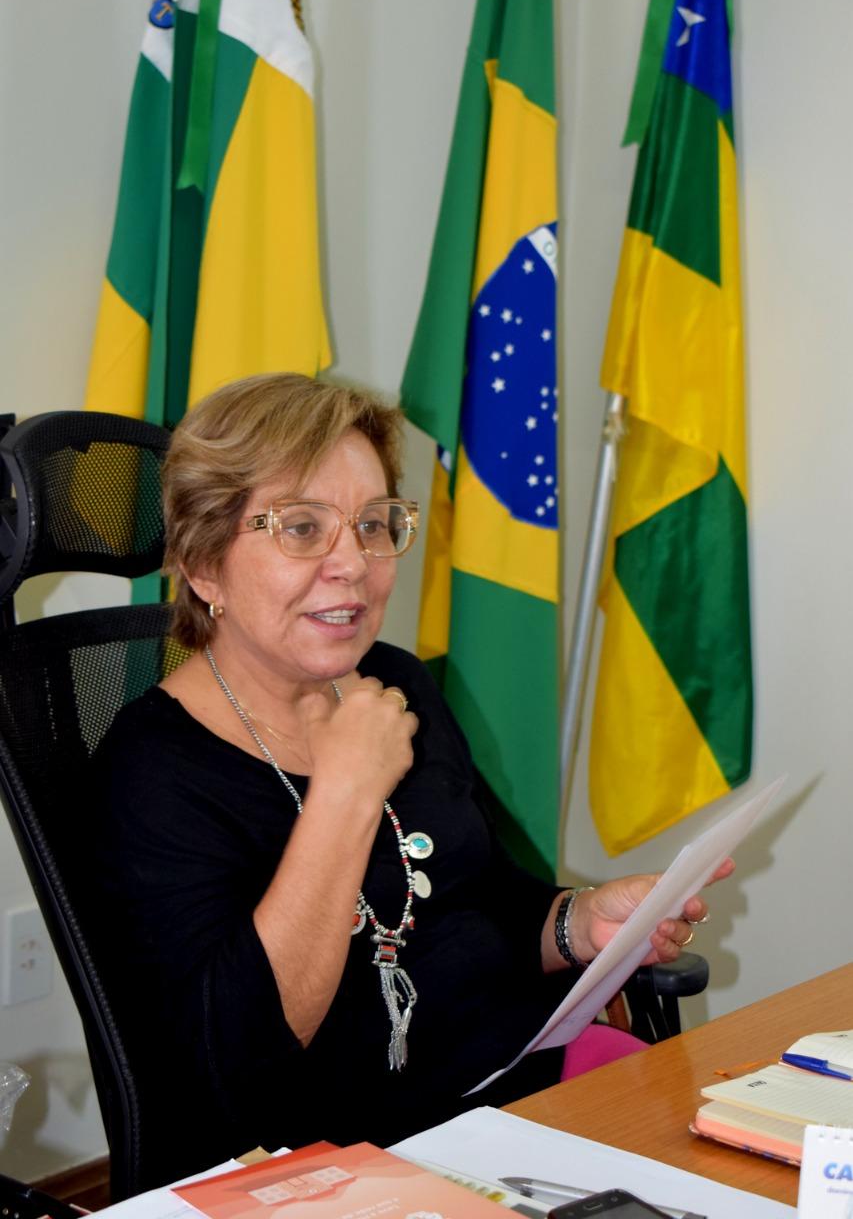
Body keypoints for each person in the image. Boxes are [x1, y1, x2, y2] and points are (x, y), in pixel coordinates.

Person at [86, 373, 729, 1187]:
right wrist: (344, 795)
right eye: (302, 528)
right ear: (204, 565)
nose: (352, 564)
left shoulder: (394, 683)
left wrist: (579, 924)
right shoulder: (148, 771)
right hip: (333, 1168)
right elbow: (236, 1065)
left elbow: (483, 900)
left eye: (373, 524)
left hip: (510, 1094)